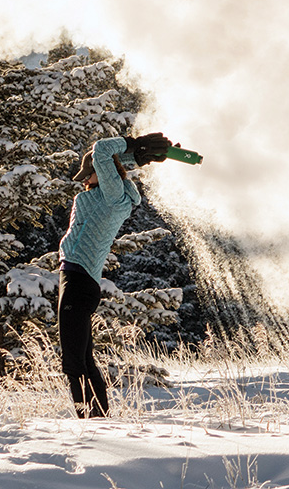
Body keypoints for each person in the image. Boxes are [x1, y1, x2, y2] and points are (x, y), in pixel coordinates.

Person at [57, 131, 173, 418]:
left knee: (74, 360)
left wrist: (131, 143)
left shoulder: (111, 197)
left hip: (78, 282)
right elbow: (110, 166)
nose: (84, 180)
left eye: (88, 174)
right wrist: (133, 158)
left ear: (103, 174)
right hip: (78, 282)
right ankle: (98, 418)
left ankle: (88, 419)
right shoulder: (106, 194)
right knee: (83, 357)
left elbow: (101, 150)